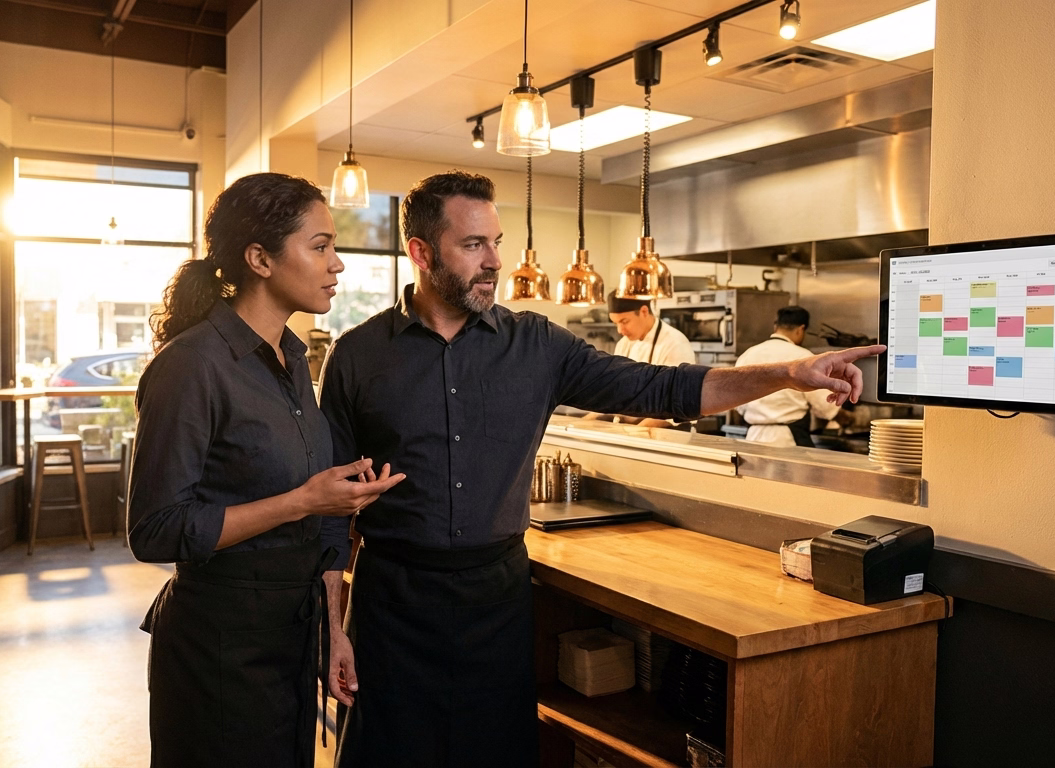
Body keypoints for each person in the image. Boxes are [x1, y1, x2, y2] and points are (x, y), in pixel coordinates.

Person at [317, 171, 881, 768]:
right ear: (421, 253)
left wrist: (787, 374)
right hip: (393, 605)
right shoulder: (357, 355)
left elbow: (659, 387)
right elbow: (327, 518)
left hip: (497, 601)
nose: (494, 262)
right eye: (474, 245)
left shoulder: (537, 346)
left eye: (497, 242)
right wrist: (333, 629)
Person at [128, 172, 404, 768]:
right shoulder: (192, 366)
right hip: (218, 648)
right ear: (259, 258)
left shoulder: (295, 359)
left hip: (291, 636)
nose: (338, 265)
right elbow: (153, 530)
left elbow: (314, 516)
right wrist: (303, 501)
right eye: (321, 246)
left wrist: (332, 631)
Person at [734, 305, 853, 447]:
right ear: (800, 329)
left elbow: (737, 402)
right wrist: (847, 418)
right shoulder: (802, 357)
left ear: (775, 327)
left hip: (753, 437)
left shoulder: (748, 355)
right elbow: (824, 404)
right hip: (788, 440)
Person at [589, 289, 697, 427]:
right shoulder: (624, 344)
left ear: (644, 311)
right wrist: (583, 423)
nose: (620, 330)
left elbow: (675, 407)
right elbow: (614, 394)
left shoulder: (675, 343)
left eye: (624, 321)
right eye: (616, 323)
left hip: (668, 435)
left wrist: (633, 438)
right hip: (631, 431)